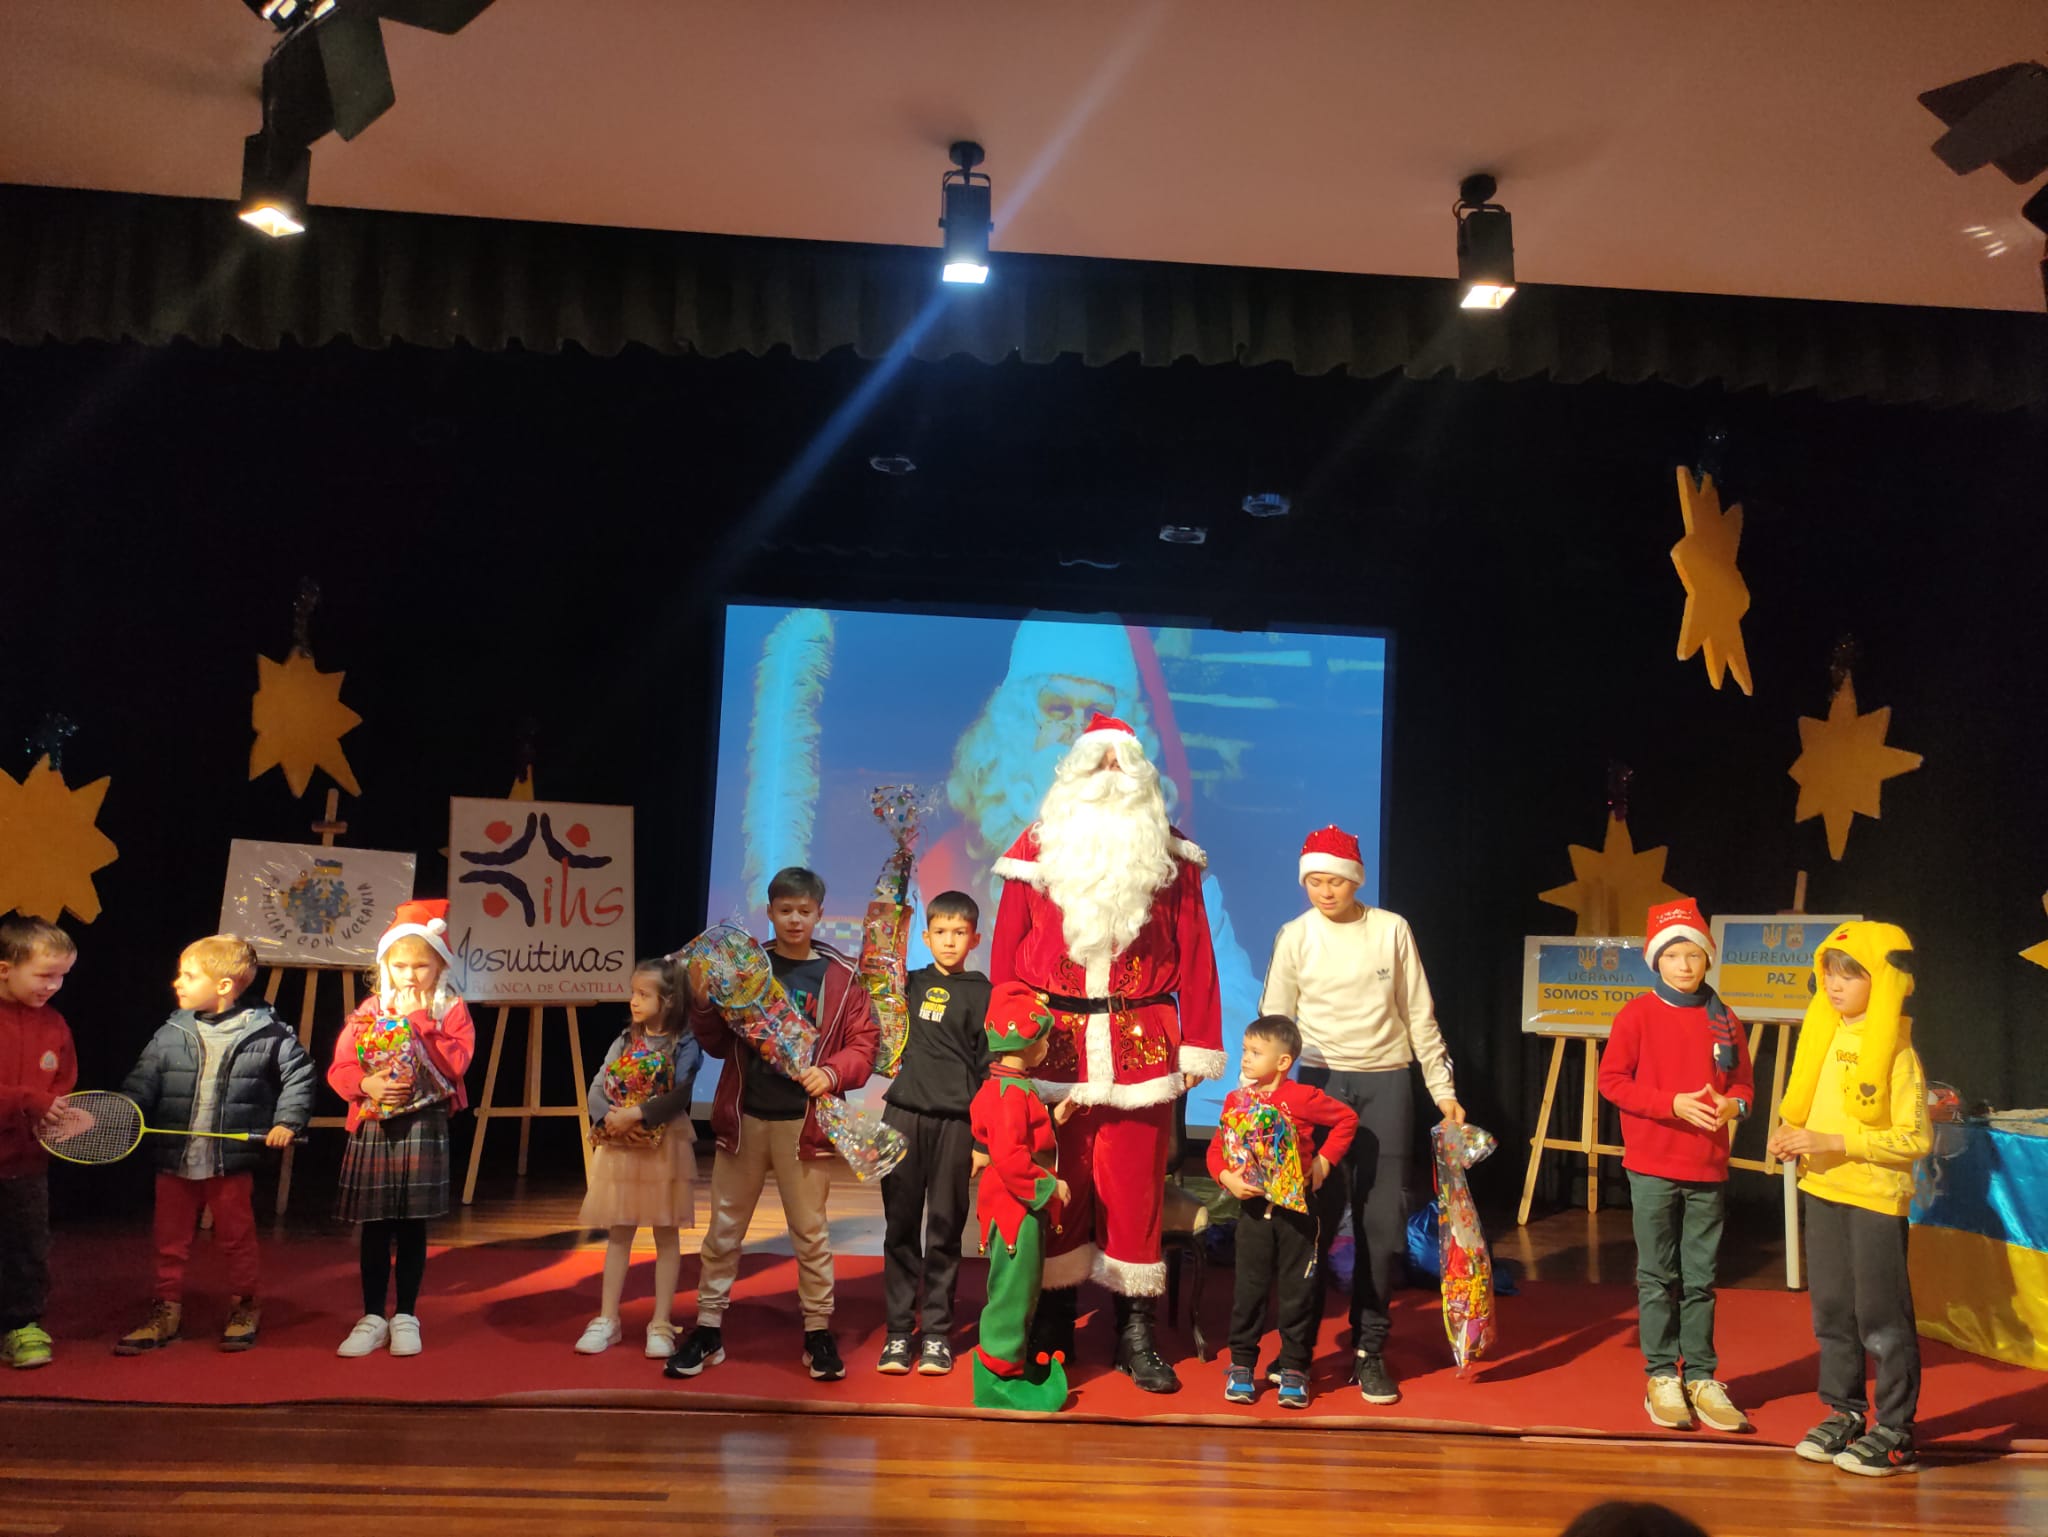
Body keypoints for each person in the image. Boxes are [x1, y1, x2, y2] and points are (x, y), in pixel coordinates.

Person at [989, 711, 1225, 1394]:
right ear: (1076, 774)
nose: (1111, 778)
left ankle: (1134, 1329)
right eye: (1099, 765)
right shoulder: (1035, 851)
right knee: (1060, 1184)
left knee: (1133, 1187)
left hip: (1141, 1049)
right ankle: (1055, 1320)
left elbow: (1199, 957)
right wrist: (1008, 1046)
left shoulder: (1170, 856)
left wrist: (1199, 1046)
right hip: (1051, 1047)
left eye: (1123, 766)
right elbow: (1006, 958)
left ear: (1143, 776)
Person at [1258, 824, 1463, 1405]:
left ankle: (1371, 1348)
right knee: (1310, 1221)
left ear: (1356, 880)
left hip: (1386, 1082)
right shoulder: (1295, 936)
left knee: (1379, 1225)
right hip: (1318, 1083)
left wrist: (1441, 1088)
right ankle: (1296, 1350)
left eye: (1336, 881)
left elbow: (1419, 1013)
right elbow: (1276, 1019)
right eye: (1315, 881)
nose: (1325, 892)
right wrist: (1269, 1092)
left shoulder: (1391, 930)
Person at [660, 867, 878, 1384]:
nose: (795, 919)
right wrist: (703, 1002)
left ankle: (818, 1330)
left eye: (805, 911)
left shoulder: (840, 977)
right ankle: (709, 1326)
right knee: (724, 1230)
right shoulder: (741, 967)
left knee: (810, 1233)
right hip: (745, 1120)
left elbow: (863, 1046)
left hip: (804, 1129)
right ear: (770, 911)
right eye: (785, 910)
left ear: (819, 913)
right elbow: (715, 1044)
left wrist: (831, 1072)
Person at [1768, 922, 1932, 1477]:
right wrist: (1791, 1134)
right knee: (1833, 1312)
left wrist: (1832, 1140)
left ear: (1880, 981)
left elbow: (1915, 1140)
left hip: (1875, 1201)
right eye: (1828, 973)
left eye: (1849, 974)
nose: (1834, 986)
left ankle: (1896, 1429)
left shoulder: (1898, 1054)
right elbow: (1810, 1107)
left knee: (1881, 1318)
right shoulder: (1825, 1035)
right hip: (1823, 1190)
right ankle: (1844, 1411)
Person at [1597, 899, 1756, 1432]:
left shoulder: (1725, 1018)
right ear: (1656, 962)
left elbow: (1745, 1088)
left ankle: (1702, 1377)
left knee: (1701, 1279)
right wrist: (1671, 1104)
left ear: (1708, 960)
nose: (1685, 966)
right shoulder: (1636, 1015)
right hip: (1653, 1166)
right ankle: (1662, 1375)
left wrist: (1735, 1105)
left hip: (1708, 1167)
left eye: (1694, 956)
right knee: (1657, 1275)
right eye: (1674, 956)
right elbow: (1612, 1081)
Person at [114, 935, 314, 1354]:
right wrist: (119, 1115)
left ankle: (244, 1304)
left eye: (189, 975)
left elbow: (300, 1076)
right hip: (176, 1158)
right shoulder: (171, 1031)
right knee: (168, 1239)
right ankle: (165, 1309)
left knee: (236, 1236)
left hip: (228, 1162)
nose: (177, 983)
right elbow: (140, 1083)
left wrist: (287, 1121)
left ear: (224, 985)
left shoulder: (268, 1032)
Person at [328, 900, 476, 1359]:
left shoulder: (449, 1009)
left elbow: (456, 1063)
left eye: (421, 965)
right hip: (376, 1124)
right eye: (400, 965)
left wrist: (417, 1022)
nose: (410, 975)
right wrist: (365, 1083)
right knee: (376, 1225)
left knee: (412, 1224)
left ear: (439, 965)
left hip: (422, 1126)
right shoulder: (369, 1008)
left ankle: (406, 1313)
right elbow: (341, 1067)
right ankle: (373, 1315)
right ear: (385, 965)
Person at [1209, 1014, 1357, 1409]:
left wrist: (1324, 1163)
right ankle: (1241, 1365)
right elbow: (1216, 1149)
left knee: (1298, 1293)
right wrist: (1228, 1178)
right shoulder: (1236, 1102)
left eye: (1256, 1052)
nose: (1245, 1059)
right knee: (1249, 1293)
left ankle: (1294, 1367)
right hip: (1255, 1214)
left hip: (1299, 1217)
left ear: (1283, 1061)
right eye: (1244, 1050)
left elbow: (1347, 1119)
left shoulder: (1302, 1098)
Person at [877, 891, 991, 1376]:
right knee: (900, 1228)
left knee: (944, 1229)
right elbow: (875, 961)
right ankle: (899, 1333)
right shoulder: (905, 984)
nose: (949, 941)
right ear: (925, 937)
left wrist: (984, 1142)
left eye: (959, 932)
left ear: (974, 938)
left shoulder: (985, 993)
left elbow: (990, 1072)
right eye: (940, 932)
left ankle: (938, 1335)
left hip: (956, 1125)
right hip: (901, 1117)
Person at [572, 956, 702, 1358]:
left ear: (668, 1000)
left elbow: (681, 1093)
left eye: (644, 994)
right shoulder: (626, 1039)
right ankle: (607, 1318)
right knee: (620, 1231)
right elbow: (599, 1083)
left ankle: (661, 1323)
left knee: (666, 1233)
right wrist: (609, 1118)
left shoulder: (685, 1041)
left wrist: (640, 1114)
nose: (634, 1000)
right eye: (633, 992)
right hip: (622, 1144)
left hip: (665, 1146)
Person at [968, 979, 1075, 1411]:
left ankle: (1009, 1367)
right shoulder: (1010, 1094)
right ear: (1027, 1044)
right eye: (1045, 1040)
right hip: (1014, 1208)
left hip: (1014, 1205)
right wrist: (1051, 1186)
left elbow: (1017, 1136)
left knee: (1021, 1285)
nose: (1048, 1047)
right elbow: (1011, 1158)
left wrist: (1054, 1118)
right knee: (1012, 1291)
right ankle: (997, 1379)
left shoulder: (1010, 1086)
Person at [0, 918, 78, 1370]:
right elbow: (32, 1095)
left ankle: (22, 1325)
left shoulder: (55, 1024)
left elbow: (62, 1082)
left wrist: (60, 1112)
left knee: (27, 1246)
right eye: (45, 974)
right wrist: (29, 1100)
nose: (54, 985)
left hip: (26, 1163)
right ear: (5, 969)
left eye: (62, 975)